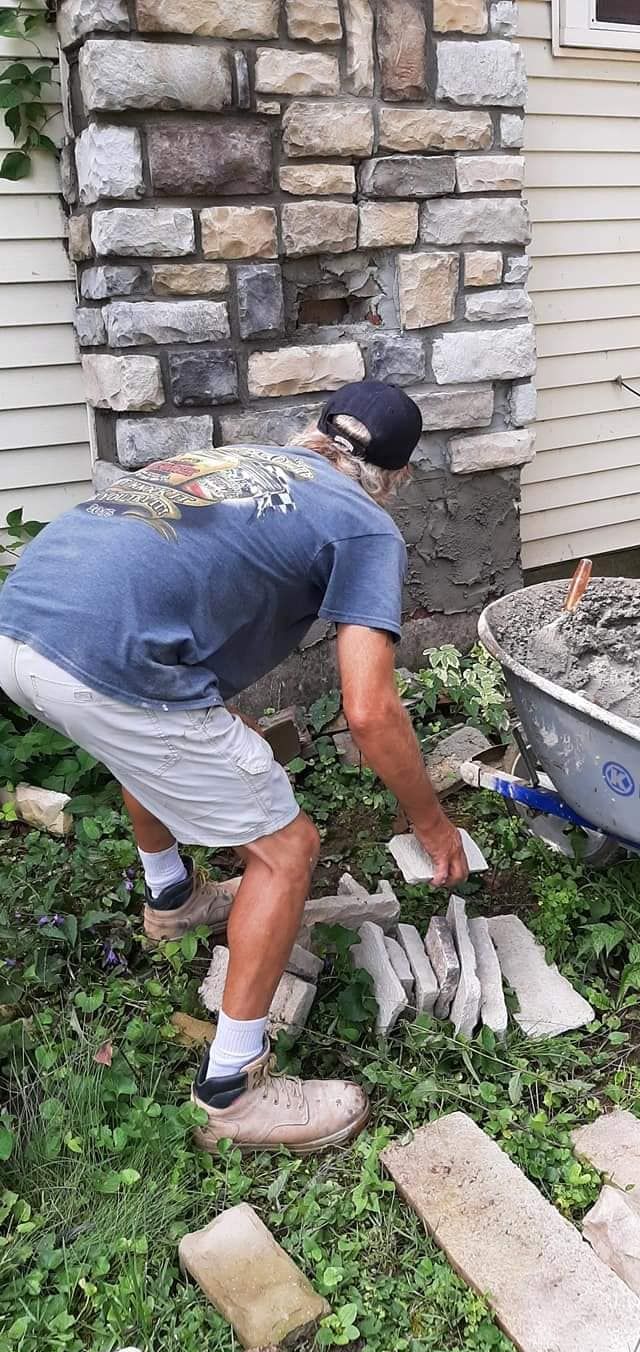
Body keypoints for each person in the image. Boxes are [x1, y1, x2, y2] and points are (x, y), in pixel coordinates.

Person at [0, 380, 468, 1153]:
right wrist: (431, 819)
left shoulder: (239, 460)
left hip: (22, 624)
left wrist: (209, 709)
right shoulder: (364, 526)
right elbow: (370, 710)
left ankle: (173, 898)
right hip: (104, 658)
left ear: (314, 432)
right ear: (398, 477)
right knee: (287, 851)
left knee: (145, 730)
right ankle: (234, 1089)